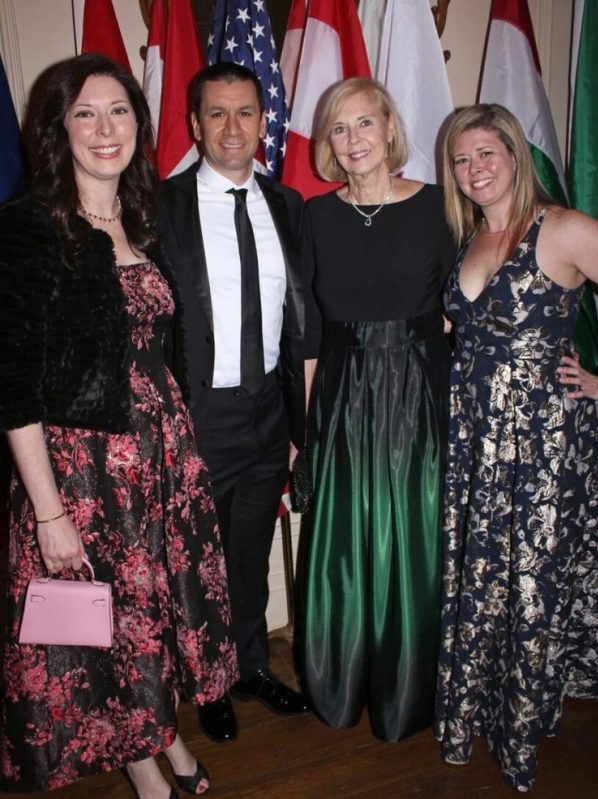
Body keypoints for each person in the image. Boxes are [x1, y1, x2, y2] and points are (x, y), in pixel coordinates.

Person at [0, 53, 238, 798]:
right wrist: (49, 513)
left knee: (152, 615)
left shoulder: (143, 218)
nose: (106, 129)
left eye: (119, 111)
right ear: (58, 129)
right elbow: (12, 386)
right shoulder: (30, 227)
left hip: (160, 463)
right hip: (85, 473)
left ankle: (163, 735)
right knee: (112, 621)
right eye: (85, 113)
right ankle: (145, 767)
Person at [435, 103, 598, 792]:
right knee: (487, 583)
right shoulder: (470, 238)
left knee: (529, 589)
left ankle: (522, 732)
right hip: (476, 443)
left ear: (514, 155)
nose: (474, 169)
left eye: (486, 153)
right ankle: (475, 712)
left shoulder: (560, 228)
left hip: (541, 450)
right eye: (461, 159)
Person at [300, 77, 455, 742]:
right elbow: (310, 329)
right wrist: (308, 425)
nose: (353, 139)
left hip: (420, 398)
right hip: (342, 397)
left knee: (414, 543)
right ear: (328, 142)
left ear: (390, 127)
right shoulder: (315, 216)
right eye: (339, 128)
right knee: (344, 545)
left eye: (365, 122)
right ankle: (344, 682)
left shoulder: (439, 206)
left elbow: (467, 306)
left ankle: (410, 690)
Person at [158, 62, 308, 744]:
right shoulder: (161, 207)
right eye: (216, 113)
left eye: (245, 112)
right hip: (199, 414)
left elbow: (299, 317)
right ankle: (208, 681)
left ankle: (250, 667)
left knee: (248, 553)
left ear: (263, 120)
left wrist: (298, 422)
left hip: (269, 413)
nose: (231, 127)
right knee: (199, 559)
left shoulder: (286, 204)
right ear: (195, 124)